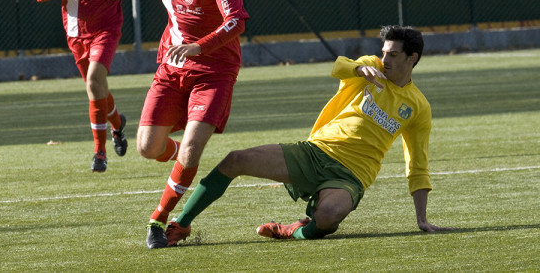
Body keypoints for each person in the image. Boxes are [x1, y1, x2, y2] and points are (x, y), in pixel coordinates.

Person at [59, 0, 250, 248]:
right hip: (171, 68)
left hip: (214, 72)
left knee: (192, 149)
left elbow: (237, 20)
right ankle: (182, 153)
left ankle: (158, 221)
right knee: (148, 148)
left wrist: (199, 46)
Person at [165, 25, 455, 246]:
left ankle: (293, 230)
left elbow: (416, 164)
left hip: (351, 176)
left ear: (412, 58)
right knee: (235, 160)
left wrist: (422, 219)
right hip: (315, 152)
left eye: (393, 54)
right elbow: (338, 67)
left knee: (327, 217)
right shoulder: (373, 67)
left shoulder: (418, 107)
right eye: (383, 52)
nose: (384, 58)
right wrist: (359, 67)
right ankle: (181, 225)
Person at [36, 0, 135, 173]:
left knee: (94, 80)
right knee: (97, 87)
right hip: (76, 33)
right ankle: (117, 126)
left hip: (106, 28)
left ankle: (99, 153)